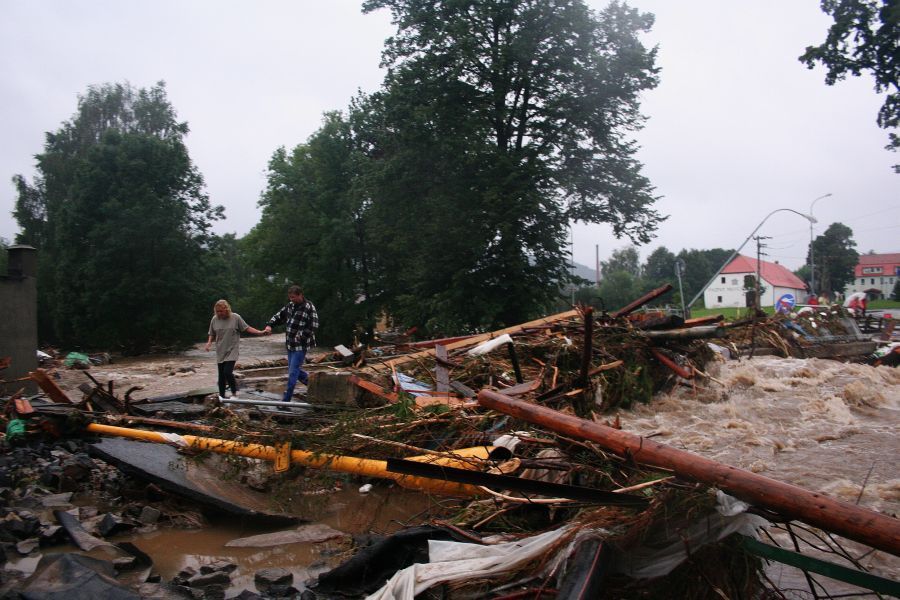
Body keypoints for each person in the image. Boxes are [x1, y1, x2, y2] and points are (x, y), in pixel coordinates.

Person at [264, 285, 319, 402]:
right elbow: (279, 316)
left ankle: (286, 400)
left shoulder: (309, 307)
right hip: (290, 345)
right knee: (294, 370)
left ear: (300, 295)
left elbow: (314, 325)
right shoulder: (290, 306)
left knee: (293, 373)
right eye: (290, 298)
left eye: (293, 297)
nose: (291, 300)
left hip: (301, 345)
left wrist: (302, 337)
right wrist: (270, 325)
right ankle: (314, 385)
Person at [205, 299, 267, 401]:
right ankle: (222, 396)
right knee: (221, 375)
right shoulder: (214, 319)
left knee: (227, 372)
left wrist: (260, 332)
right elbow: (211, 333)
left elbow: (247, 328)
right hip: (220, 350)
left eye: (221, 311)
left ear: (226, 309)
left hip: (232, 349)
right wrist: (209, 343)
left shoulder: (235, 317)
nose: (219, 313)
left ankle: (234, 393)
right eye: (217, 311)